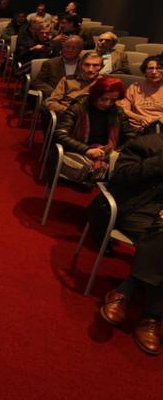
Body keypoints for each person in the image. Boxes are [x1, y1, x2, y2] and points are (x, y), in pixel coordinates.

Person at [102, 132, 163, 355]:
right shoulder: (147, 143)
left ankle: (124, 290)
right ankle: (152, 317)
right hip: (137, 208)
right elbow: (122, 176)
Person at [53, 77, 134, 184]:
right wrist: (86, 150)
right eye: (104, 99)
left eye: (113, 100)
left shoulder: (117, 112)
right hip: (79, 150)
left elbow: (130, 135)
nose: (107, 103)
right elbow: (60, 135)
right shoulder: (78, 108)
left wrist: (117, 151)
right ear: (95, 95)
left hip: (106, 152)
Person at [119, 56, 163, 133]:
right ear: (145, 71)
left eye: (158, 68)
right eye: (150, 68)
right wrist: (139, 118)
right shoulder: (135, 87)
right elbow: (124, 109)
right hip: (135, 129)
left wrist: (156, 121)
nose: (154, 72)